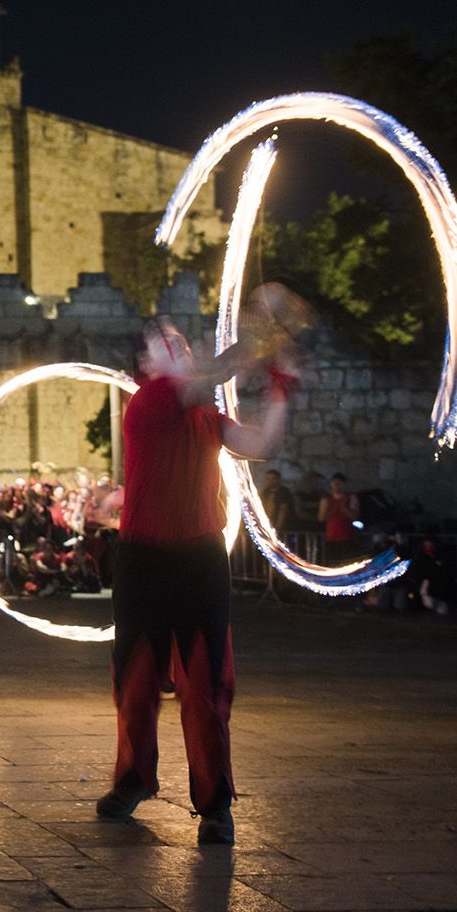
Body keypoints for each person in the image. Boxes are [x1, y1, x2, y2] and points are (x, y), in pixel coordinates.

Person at [96, 311, 296, 847]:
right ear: (144, 364)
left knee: (206, 685)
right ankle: (133, 779)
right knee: (136, 681)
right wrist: (264, 333)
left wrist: (280, 390)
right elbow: (217, 371)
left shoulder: (206, 415)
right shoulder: (149, 402)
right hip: (143, 559)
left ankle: (215, 805)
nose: (180, 346)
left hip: (200, 559)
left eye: (181, 340)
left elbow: (261, 444)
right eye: (167, 342)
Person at [317, 473, 359, 559]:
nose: (336, 486)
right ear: (331, 484)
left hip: (348, 537)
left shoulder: (351, 498)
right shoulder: (326, 499)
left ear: (344, 484)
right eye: (334, 483)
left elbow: (355, 517)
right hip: (331, 538)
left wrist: (344, 508)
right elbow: (321, 518)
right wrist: (330, 508)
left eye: (339, 483)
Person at [260, 469, 297, 533]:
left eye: (273, 479)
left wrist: (277, 528)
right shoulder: (264, 492)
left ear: (278, 479)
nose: (270, 481)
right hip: (267, 524)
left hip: (284, 527)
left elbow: (283, 510)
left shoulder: (284, 492)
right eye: (268, 479)